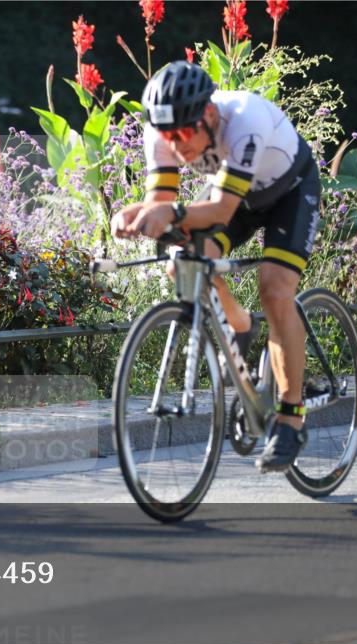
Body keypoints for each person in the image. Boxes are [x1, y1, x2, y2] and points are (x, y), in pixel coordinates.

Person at [110, 61, 322, 472]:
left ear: (208, 114)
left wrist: (165, 212)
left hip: (289, 193)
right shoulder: (162, 131)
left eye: (184, 134)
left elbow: (220, 208)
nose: (176, 145)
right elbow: (164, 199)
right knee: (183, 264)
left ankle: (290, 417)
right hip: (237, 197)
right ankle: (240, 325)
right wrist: (135, 212)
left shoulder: (244, 119)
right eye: (167, 137)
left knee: (276, 290)